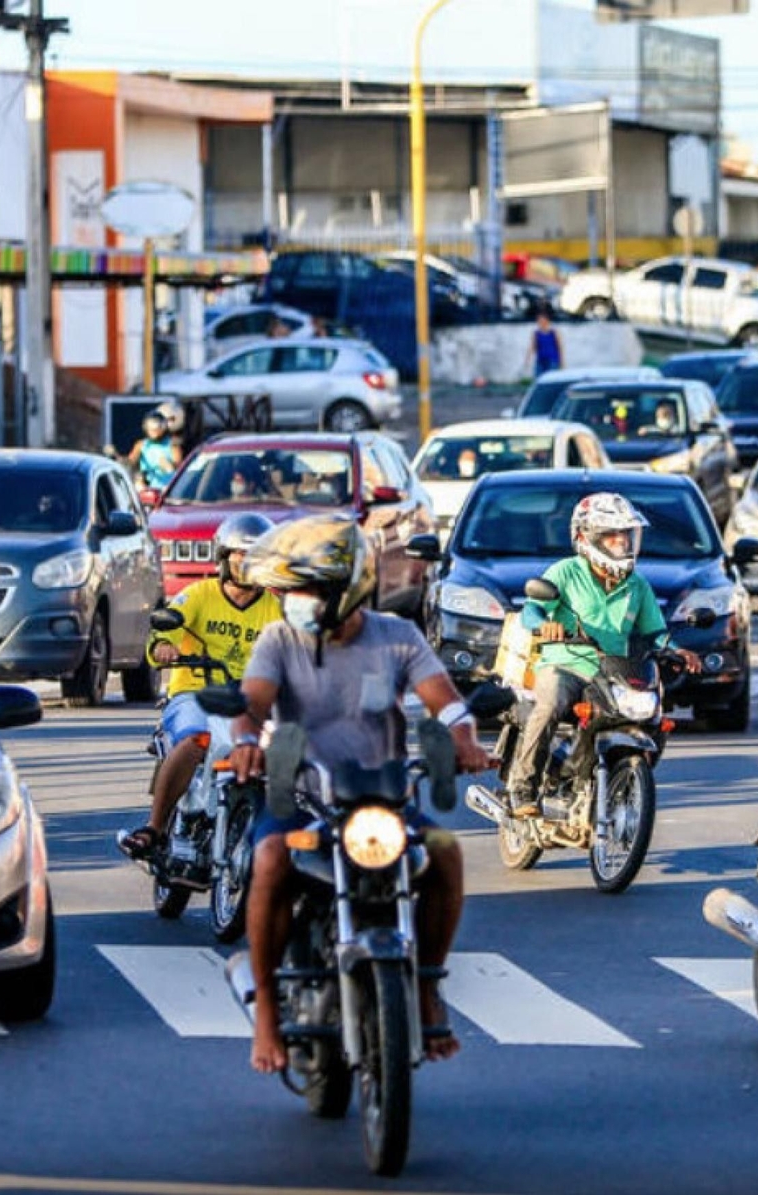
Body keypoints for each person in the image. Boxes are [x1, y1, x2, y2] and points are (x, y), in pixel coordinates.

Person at [227, 515, 491, 1074]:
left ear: (344, 590)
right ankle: (269, 1013)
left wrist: (465, 737)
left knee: (444, 850)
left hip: (383, 802)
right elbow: (252, 704)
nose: (293, 600)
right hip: (304, 800)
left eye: (305, 590)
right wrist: (247, 741)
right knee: (271, 858)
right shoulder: (280, 639)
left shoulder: (398, 636)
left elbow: (445, 701)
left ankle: (425, 986)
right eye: (290, 590)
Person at [502, 493, 699, 819]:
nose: (622, 542)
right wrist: (544, 627)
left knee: (649, 719)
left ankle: (613, 781)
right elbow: (531, 610)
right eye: (612, 535)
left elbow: (653, 632)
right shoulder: (566, 571)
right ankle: (523, 786)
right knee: (551, 704)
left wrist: (678, 650)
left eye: (627, 534)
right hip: (565, 663)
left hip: (613, 669)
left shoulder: (638, 586)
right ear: (586, 537)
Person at [117, 513, 282, 862]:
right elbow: (162, 634)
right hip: (196, 693)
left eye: (255, 557)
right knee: (196, 739)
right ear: (223, 557)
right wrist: (164, 647)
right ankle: (155, 828)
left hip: (252, 701)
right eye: (240, 555)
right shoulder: (198, 596)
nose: (247, 564)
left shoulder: (276, 608)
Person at [128, 412, 181, 490]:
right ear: (146, 428)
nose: (155, 430)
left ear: (164, 427)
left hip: (168, 487)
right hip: (147, 487)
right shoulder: (141, 444)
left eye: (158, 426)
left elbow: (179, 465)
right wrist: (117, 457)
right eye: (151, 427)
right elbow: (131, 461)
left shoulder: (172, 444)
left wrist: (171, 466)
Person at [529, 310, 563, 377]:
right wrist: (528, 359)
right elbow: (533, 347)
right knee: (538, 378)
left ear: (547, 321)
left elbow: (559, 347)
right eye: (539, 321)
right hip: (540, 361)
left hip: (552, 361)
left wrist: (561, 362)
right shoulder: (536, 333)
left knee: (552, 379)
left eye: (542, 321)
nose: (540, 323)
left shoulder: (553, 332)